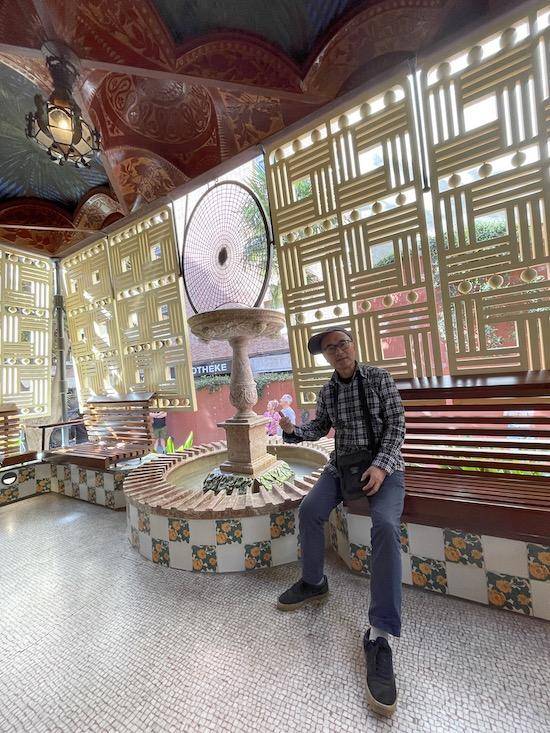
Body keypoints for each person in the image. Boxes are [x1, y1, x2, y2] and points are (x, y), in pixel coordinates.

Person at [277, 328, 405, 717]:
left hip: (385, 467)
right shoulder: (328, 391)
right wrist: (292, 430)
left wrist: (381, 467)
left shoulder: (379, 378)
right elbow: (319, 428)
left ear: (353, 345)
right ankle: (314, 582)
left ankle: (379, 634)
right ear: (326, 357)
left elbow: (397, 426)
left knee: (385, 526)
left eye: (342, 343)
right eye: (330, 348)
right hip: (343, 468)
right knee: (309, 509)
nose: (338, 351)